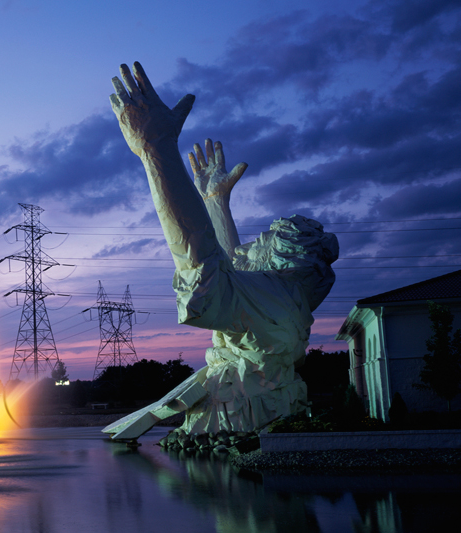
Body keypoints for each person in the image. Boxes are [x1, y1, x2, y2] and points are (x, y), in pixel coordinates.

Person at [104, 63, 339, 437]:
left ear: (284, 255)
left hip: (234, 425)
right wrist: (215, 203)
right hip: (257, 416)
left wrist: (157, 150)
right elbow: (235, 272)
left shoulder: (274, 299)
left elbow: (208, 267)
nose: (254, 242)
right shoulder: (286, 299)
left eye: (264, 239)